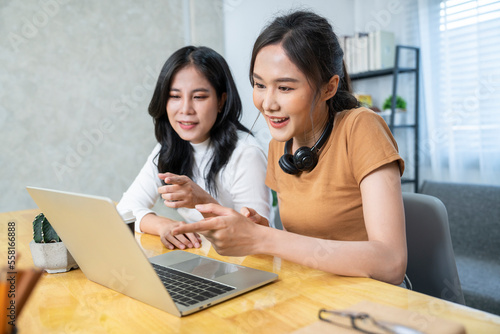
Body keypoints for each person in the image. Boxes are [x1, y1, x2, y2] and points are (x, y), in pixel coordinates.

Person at [172, 11, 407, 285]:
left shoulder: (362, 128)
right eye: (259, 84)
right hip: (311, 288)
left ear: (329, 87)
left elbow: (391, 262)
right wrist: (258, 230)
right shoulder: (279, 145)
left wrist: (268, 238)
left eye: (284, 88)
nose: (267, 103)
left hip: (368, 301)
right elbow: (300, 246)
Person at [117, 46, 273, 251]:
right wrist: (165, 225)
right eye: (175, 96)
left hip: (245, 266)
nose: (185, 109)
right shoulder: (169, 147)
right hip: (205, 261)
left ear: (221, 101)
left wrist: (203, 200)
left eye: (199, 97)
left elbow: (255, 238)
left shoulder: (246, 153)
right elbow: (124, 210)